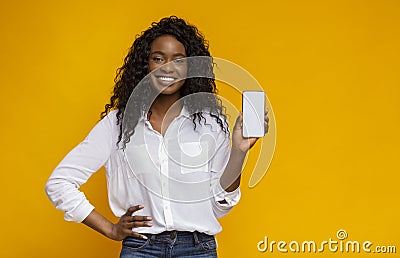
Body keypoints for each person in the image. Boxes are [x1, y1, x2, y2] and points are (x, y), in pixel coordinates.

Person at [45, 16, 269, 258]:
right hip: (141, 249)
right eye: (158, 58)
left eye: (179, 60)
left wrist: (239, 151)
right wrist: (110, 229)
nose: (168, 67)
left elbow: (220, 205)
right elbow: (59, 183)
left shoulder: (210, 125)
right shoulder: (118, 124)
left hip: (197, 250)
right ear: (145, 65)